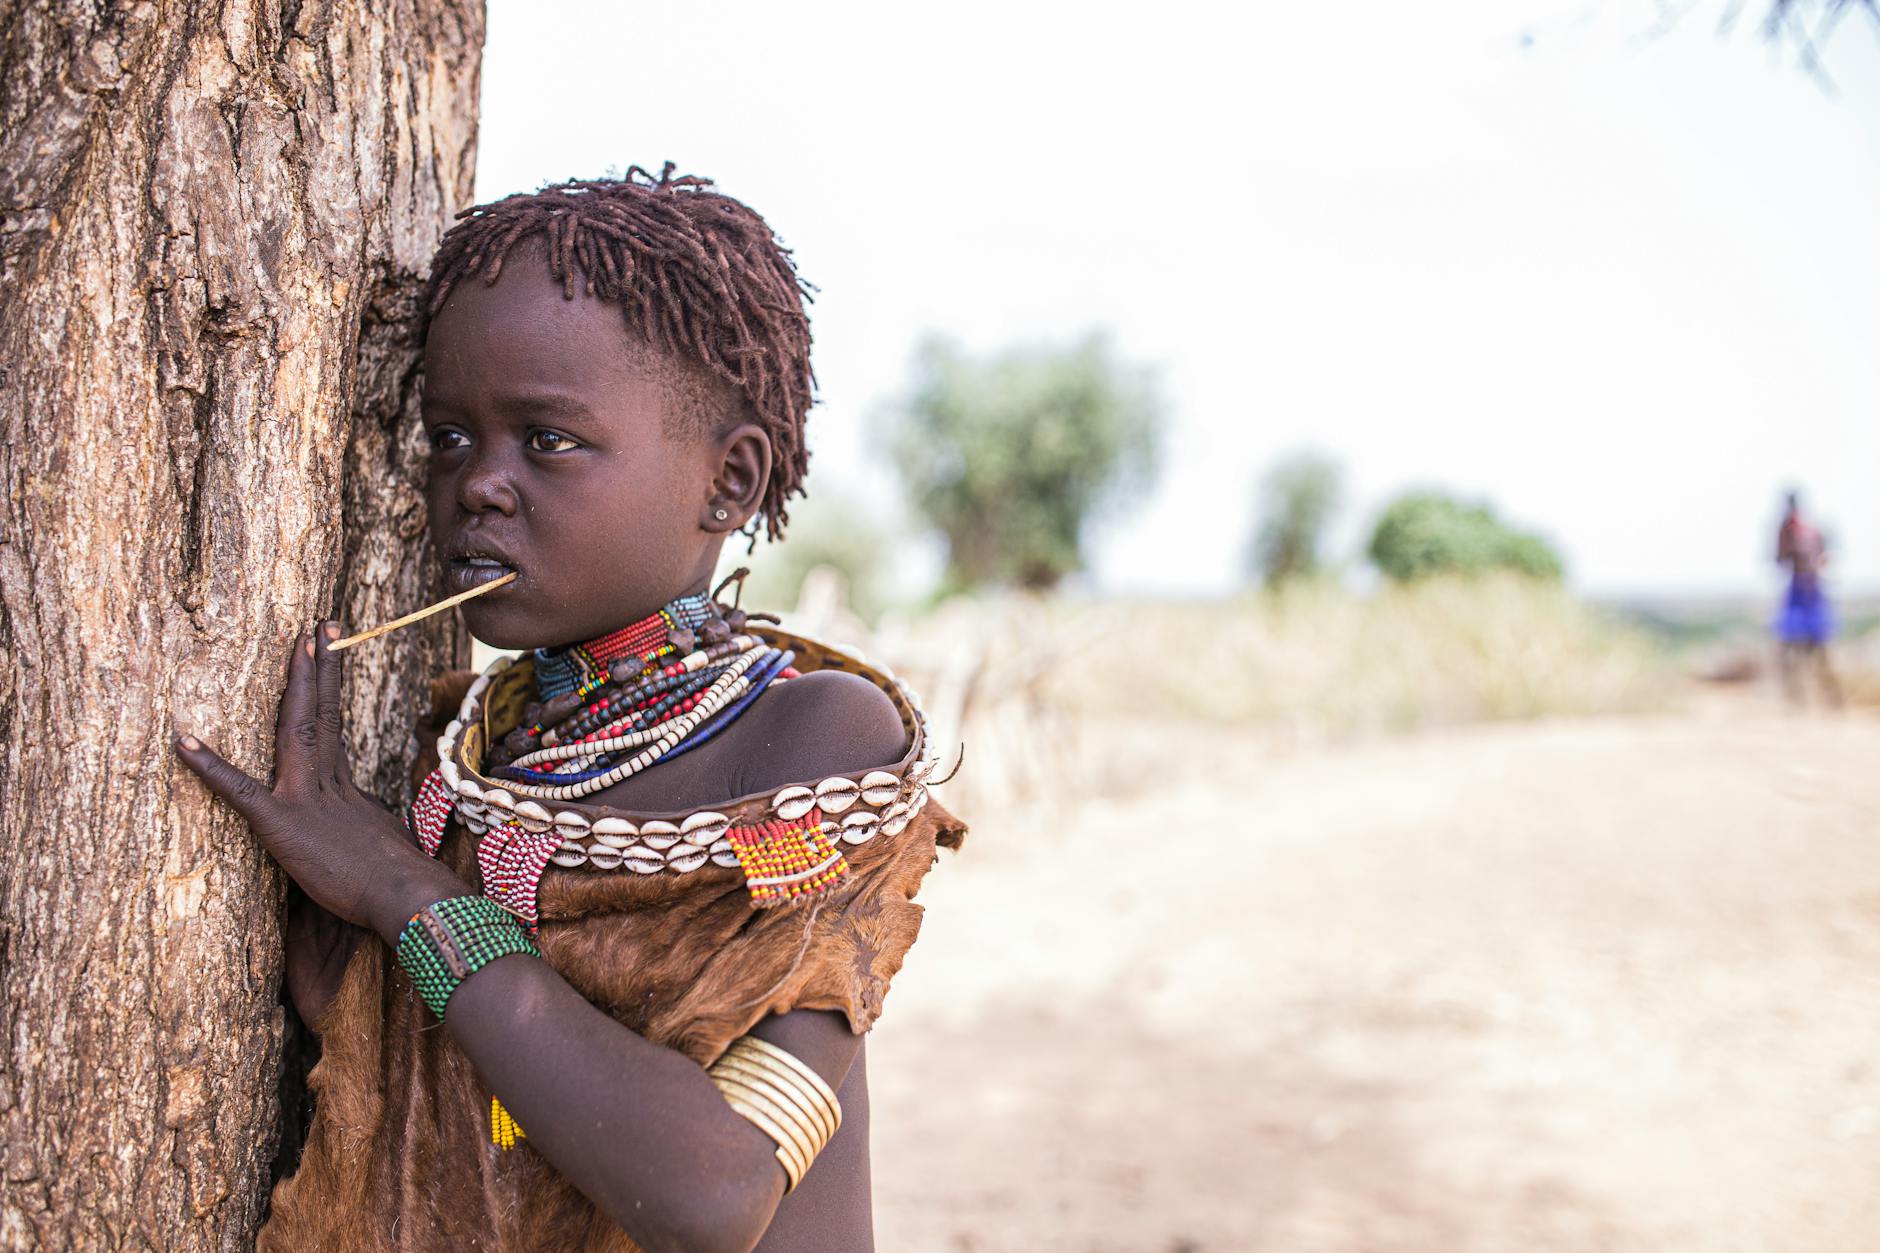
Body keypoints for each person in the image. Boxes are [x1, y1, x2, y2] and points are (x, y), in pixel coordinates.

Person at [172, 166, 963, 1251]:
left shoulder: (814, 744)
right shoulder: (474, 758)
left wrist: (400, 889)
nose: (478, 485)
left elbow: (713, 1190)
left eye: (546, 439)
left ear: (726, 483)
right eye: (450, 436)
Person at [1773, 490, 1842, 707]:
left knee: (1817, 650)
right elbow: (1780, 559)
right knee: (1790, 649)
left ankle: (1830, 699)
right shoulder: (1789, 530)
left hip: (1809, 592)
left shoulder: (1807, 531)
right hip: (1801, 591)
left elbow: (1823, 558)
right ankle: (1797, 701)